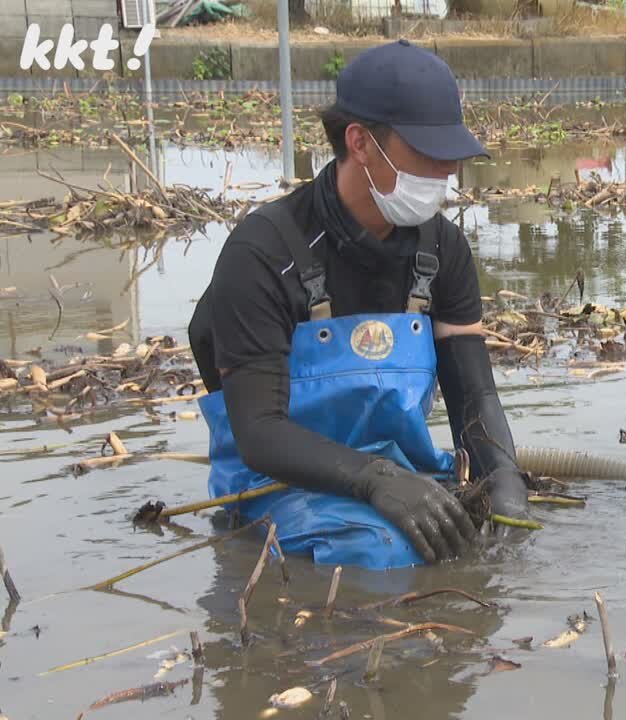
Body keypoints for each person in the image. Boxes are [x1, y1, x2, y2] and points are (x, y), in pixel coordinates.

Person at [188, 40, 528, 570]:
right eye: (427, 155)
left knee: (477, 534)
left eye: (451, 157)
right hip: (274, 484)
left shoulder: (442, 250)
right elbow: (259, 434)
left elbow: (473, 395)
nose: (445, 174)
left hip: (399, 473)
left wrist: (505, 490)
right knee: (381, 552)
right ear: (360, 142)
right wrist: (375, 481)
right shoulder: (263, 254)